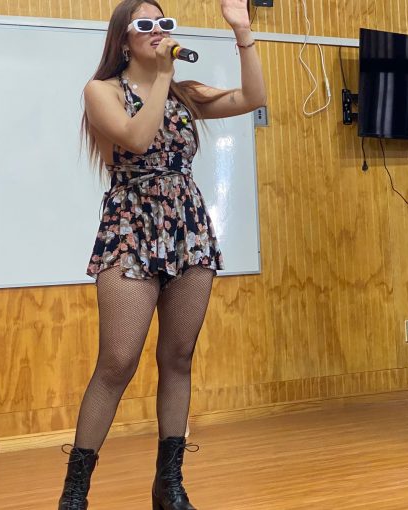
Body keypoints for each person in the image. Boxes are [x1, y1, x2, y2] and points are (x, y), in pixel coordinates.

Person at [58, 0, 266, 508]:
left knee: (178, 357)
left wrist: (242, 33)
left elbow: (253, 97)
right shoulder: (101, 91)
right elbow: (136, 136)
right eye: (145, 26)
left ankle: (170, 485)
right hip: (131, 226)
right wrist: (162, 76)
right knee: (117, 361)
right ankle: (75, 492)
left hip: (187, 227)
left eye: (164, 24)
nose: (157, 33)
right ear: (124, 39)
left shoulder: (184, 94)